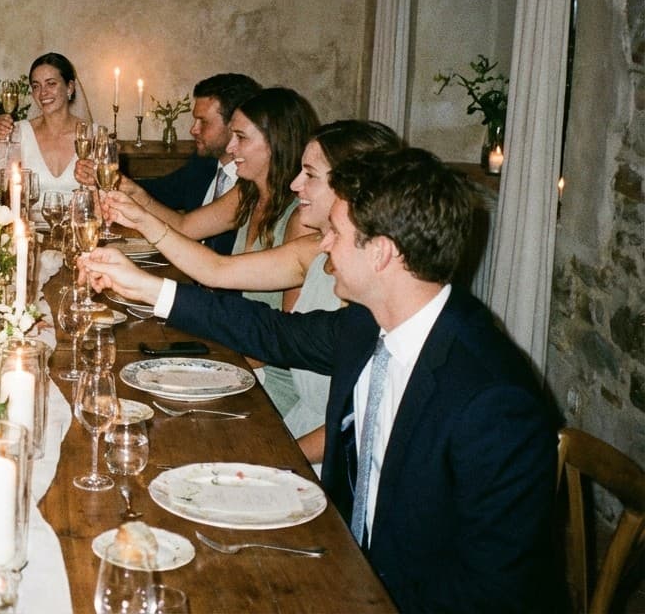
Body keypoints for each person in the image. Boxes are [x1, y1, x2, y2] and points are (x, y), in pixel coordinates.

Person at [83, 148, 558, 613]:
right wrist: (147, 287)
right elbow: (269, 331)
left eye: (336, 232)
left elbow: (493, 594)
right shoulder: (371, 322)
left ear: (382, 254)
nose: (323, 244)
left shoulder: (493, 400)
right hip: (336, 560)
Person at [103, 120, 402, 466]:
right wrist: (141, 226)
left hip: (327, 459)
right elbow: (217, 270)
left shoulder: (380, 291)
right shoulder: (313, 250)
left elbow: (357, 426)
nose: (295, 184)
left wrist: (271, 459)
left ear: (353, 187)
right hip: (296, 432)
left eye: (310, 174)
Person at [109, 87, 318, 416]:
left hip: (266, 379)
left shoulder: (300, 222)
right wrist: (131, 195)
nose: (231, 147)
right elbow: (186, 225)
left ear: (275, 140)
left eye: (241, 137)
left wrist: (207, 365)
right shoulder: (248, 194)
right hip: (236, 348)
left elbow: (283, 341)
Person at [75, 72, 260, 255]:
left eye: (203, 122)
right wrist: (116, 182)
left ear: (234, 124)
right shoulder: (204, 163)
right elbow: (162, 191)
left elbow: (185, 227)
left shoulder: (253, 184)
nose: (193, 129)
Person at [0, 52, 88, 203]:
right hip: (29, 226)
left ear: (70, 87)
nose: (43, 93)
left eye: (51, 83)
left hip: (80, 225)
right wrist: (1, 141)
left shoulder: (92, 136)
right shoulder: (18, 132)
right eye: (36, 86)